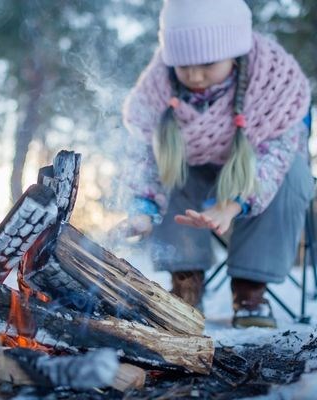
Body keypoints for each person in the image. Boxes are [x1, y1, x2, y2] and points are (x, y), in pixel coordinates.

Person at [115, 0, 314, 328]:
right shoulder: (157, 87)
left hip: (255, 173)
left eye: (206, 63)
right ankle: (186, 280)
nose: (193, 75)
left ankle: (251, 289)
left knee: (293, 174)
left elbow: (276, 157)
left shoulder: (274, 82)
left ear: (234, 52)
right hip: (193, 175)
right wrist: (142, 208)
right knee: (170, 163)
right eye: (183, 66)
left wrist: (232, 205)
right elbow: (144, 155)